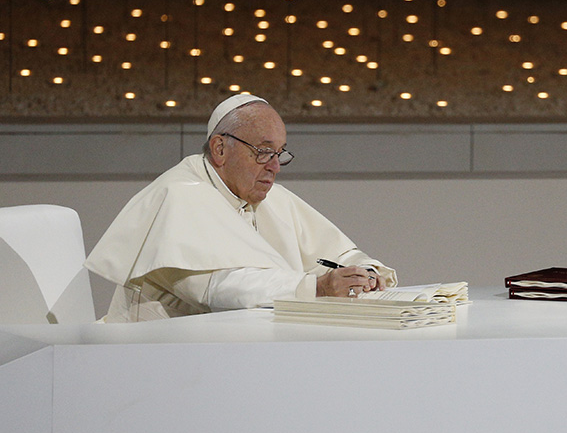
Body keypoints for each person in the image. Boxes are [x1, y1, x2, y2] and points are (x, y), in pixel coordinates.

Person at [86, 94, 396, 322]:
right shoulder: (178, 196)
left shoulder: (271, 197)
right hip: (151, 357)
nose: (275, 167)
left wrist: (364, 273)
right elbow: (220, 288)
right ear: (220, 149)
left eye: (280, 153)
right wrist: (315, 287)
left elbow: (336, 257)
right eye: (263, 152)